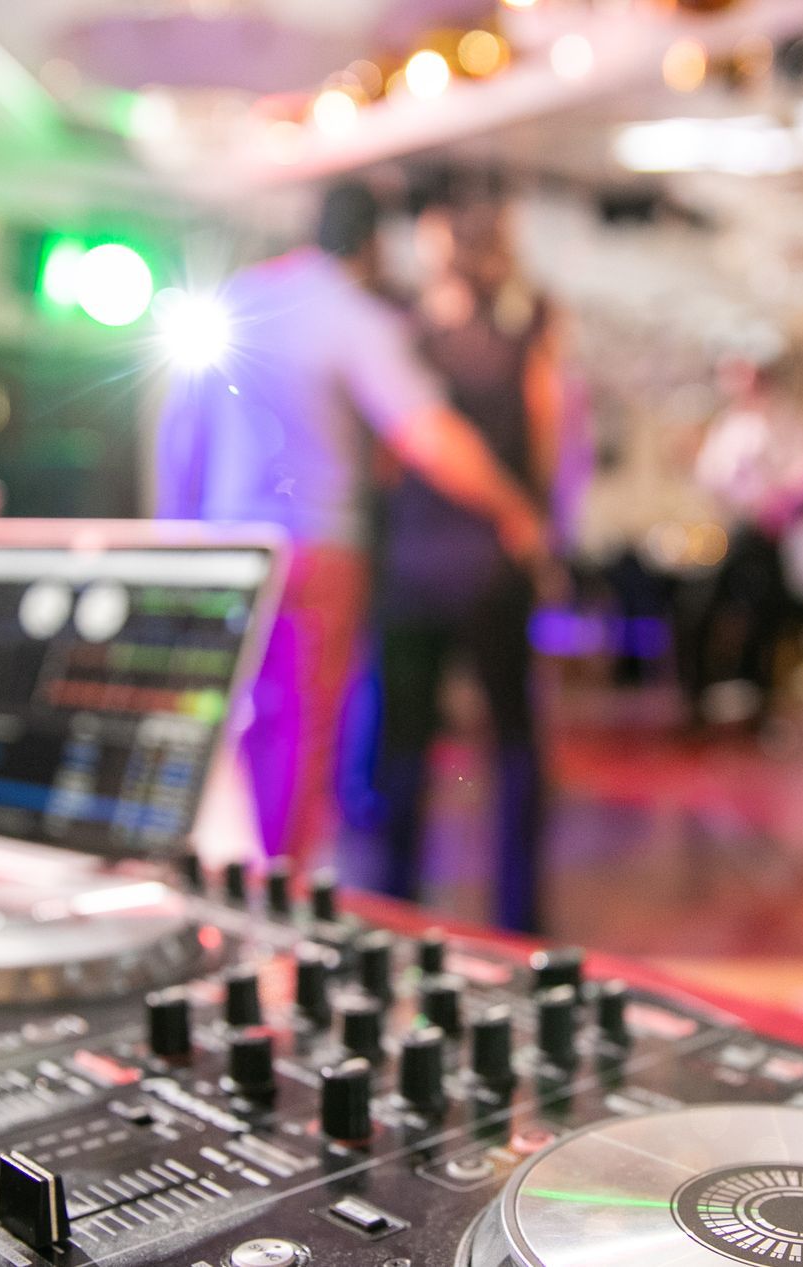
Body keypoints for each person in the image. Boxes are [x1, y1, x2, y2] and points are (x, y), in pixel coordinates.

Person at [154, 182, 546, 874]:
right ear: (369, 246)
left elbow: (177, 439)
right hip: (317, 557)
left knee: (237, 734)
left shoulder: (234, 304)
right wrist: (517, 510)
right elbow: (428, 436)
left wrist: (175, 540)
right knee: (304, 746)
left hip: (222, 554)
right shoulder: (350, 316)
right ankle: (283, 898)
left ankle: (241, 883)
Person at [370, 193, 559, 931]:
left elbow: (390, 459)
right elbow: (550, 448)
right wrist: (531, 523)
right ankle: (520, 917)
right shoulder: (526, 338)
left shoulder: (402, 342)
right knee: (512, 744)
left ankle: (391, 906)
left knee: (406, 750)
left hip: (418, 560)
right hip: (492, 562)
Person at [683, 358, 803, 730]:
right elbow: (711, 479)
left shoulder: (789, 422)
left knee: (768, 621)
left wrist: (781, 501)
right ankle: (700, 698)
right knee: (701, 609)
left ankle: (759, 704)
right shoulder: (728, 426)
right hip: (734, 530)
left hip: (773, 534)